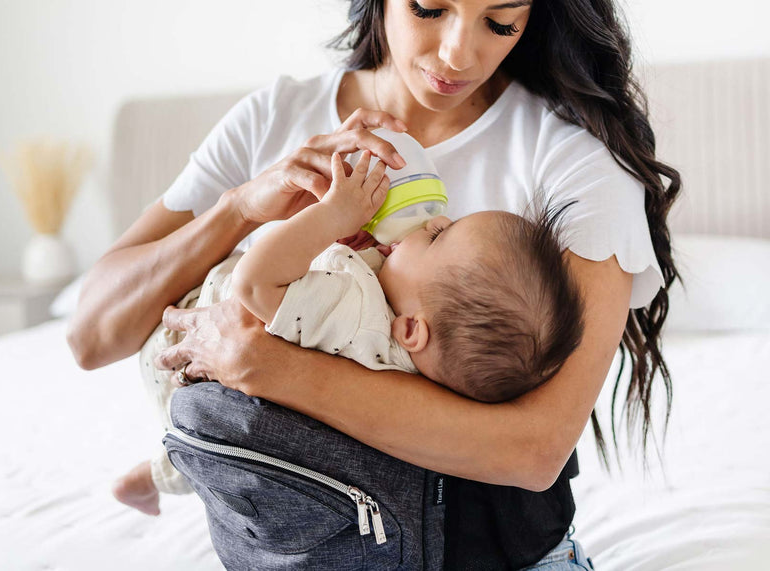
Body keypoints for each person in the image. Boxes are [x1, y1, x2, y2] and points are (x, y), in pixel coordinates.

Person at [68, 0, 681, 568]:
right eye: (429, 8)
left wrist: (264, 366)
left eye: (500, 22)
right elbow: (91, 338)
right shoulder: (274, 117)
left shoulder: (574, 161)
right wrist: (240, 210)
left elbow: (534, 451)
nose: (457, 55)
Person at [113, 149, 585, 516]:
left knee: (197, 443)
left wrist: (332, 217)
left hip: (182, 339)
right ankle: (151, 479)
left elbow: (255, 282)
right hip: (214, 365)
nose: (438, 220)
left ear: (412, 329)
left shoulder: (356, 311)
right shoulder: (401, 344)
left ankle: (156, 474)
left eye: (438, 236)